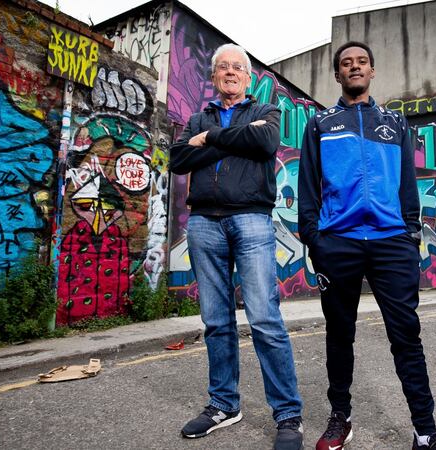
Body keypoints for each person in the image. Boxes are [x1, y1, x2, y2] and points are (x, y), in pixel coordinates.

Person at [298, 41, 436, 450]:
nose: (355, 67)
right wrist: (316, 240)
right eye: (346, 63)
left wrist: (410, 234)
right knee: (339, 335)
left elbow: (407, 185)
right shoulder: (321, 124)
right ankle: (341, 419)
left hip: (391, 242)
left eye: (362, 62)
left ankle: (425, 432)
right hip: (338, 243)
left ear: (372, 71)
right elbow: (308, 186)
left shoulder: (395, 123)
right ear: (337, 75)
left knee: (406, 336)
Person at [169, 43, 304, 450]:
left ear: (247, 77)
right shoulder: (198, 117)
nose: (230, 72)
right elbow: (178, 158)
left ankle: (288, 414)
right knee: (216, 321)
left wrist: (209, 139)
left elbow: (265, 142)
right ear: (214, 76)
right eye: (223, 67)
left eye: (237, 67)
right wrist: (231, 139)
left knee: (264, 318)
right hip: (204, 223)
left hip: (251, 219)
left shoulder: (265, 111)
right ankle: (223, 404)